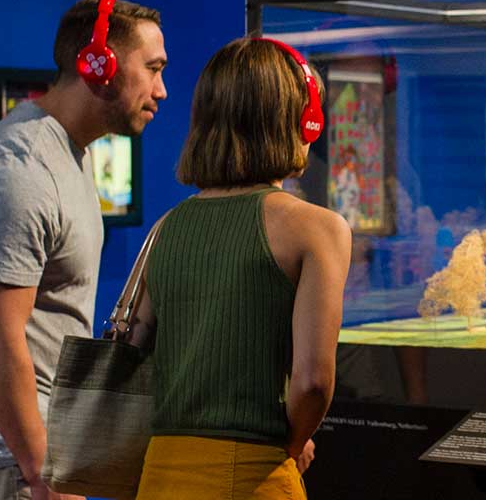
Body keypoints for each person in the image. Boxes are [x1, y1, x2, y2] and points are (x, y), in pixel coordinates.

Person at [0, 0, 168, 500]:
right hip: (9, 456)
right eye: (151, 69)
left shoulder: (66, 155)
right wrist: (41, 471)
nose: (161, 90)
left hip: (32, 448)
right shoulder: (21, 175)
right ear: (97, 66)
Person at [128, 37, 350, 499]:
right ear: (303, 120)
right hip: (251, 476)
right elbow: (312, 383)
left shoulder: (166, 227)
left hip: (158, 475)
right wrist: (288, 445)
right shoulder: (317, 229)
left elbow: (135, 355)